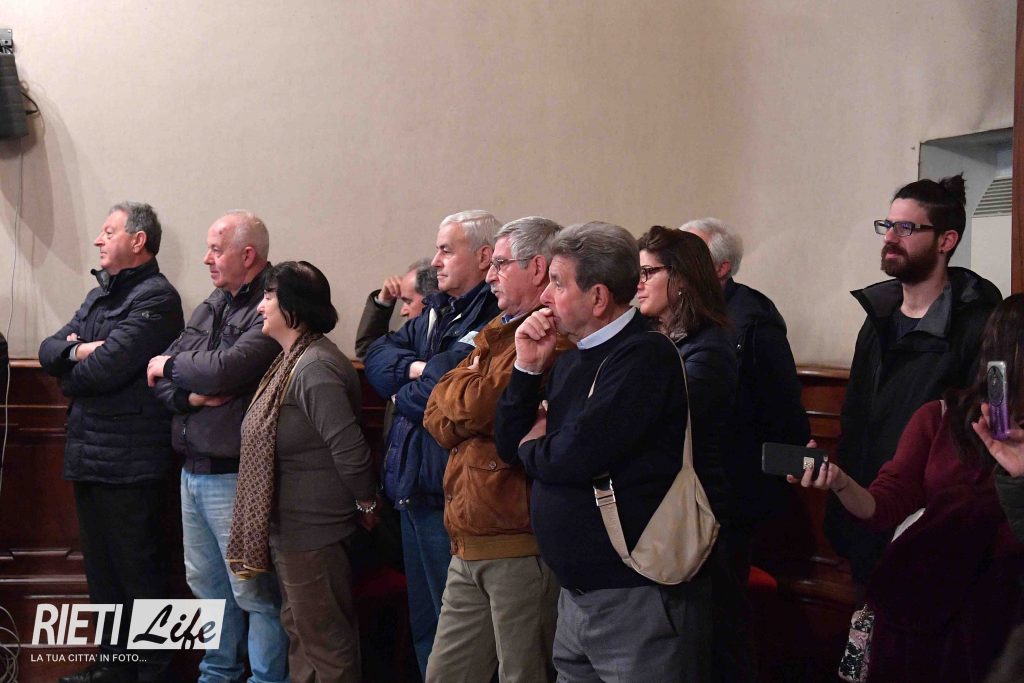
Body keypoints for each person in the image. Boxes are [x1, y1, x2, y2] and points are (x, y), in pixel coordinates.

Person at [495, 222, 713, 682]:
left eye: (558, 283)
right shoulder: (571, 360)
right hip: (576, 593)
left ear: (597, 297)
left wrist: (536, 443)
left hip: (632, 592)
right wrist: (527, 369)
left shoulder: (644, 357)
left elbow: (575, 455)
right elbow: (509, 446)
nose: (545, 297)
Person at [793, 294, 1024, 682]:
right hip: (929, 618)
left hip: (1007, 625)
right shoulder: (941, 418)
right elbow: (884, 503)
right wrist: (839, 481)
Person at [827, 174, 1002, 587]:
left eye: (906, 227)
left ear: (946, 241)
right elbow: (856, 419)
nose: (890, 237)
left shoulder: (978, 326)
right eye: (887, 225)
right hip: (867, 508)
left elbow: (984, 433)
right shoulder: (878, 320)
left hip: (934, 530)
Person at [38, 202, 184, 683]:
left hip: (132, 459)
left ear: (138, 241)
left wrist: (72, 366)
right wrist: (79, 350)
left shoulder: (157, 298)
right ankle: (113, 668)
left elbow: (106, 369)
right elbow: (49, 349)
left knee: (140, 572)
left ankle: (153, 673)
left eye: (108, 231)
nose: (99, 240)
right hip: (88, 452)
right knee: (102, 575)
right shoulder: (99, 295)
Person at [423, 216, 567, 682]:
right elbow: (435, 411)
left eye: (501, 264)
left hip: (517, 542)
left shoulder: (551, 335)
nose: (489, 276)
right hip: (467, 538)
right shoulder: (497, 329)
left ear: (538, 267)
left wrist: (462, 399)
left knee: (523, 674)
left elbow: (485, 406)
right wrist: (463, 401)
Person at [147, 211, 288, 683]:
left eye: (215, 249)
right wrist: (188, 394)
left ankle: (265, 679)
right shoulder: (213, 303)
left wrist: (172, 368)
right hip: (192, 469)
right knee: (206, 587)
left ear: (247, 255)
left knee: (253, 592)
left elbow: (227, 370)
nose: (206, 259)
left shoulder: (274, 304)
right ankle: (217, 675)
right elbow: (162, 375)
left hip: (236, 474)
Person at [363, 210, 501, 676]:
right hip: (412, 489)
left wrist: (406, 386)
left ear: (483, 256)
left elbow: (448, 391)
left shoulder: (494, 316)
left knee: (458, 635)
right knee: (426, 627)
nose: (435, 261)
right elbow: (378, 355)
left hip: (450, 496)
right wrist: (417, 370)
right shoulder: (439, 309)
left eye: (446, 250)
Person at [227, 261, 377, 683]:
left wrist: (367, 504)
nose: (260, 307)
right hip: (293, 530)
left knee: (326, 645)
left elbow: (350, 450)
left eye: (268, 297)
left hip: (314, 530)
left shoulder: (315, 367)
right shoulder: (293, 360)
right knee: (302, 635)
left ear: (293, 306)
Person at [636, 225, 750, 682]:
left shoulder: (711, 346)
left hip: (695, 510)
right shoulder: (650, 337)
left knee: (697, 650)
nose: (638, 284)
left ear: (681, 278)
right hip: (657, 505)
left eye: (648, 273)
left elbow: (658, 418)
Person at [682, 217, 810, 581]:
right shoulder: (680, 315)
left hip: (735, 486)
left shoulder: (753, 320)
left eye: (690, 256)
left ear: (720, 268)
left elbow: (783, 411)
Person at [354, 259, 438, 360]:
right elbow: (370, 353)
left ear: (433, 298)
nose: (403, 312)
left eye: (408, 302)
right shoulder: (410, 336)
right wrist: (383, 302)